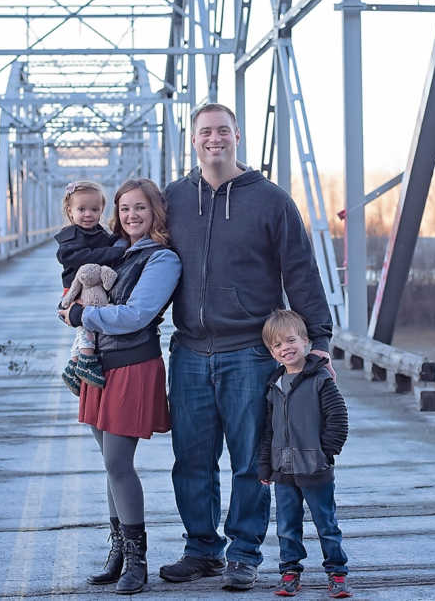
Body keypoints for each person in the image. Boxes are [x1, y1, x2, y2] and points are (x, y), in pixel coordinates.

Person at [160, 103, 334, 591]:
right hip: (190, 351)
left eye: (222, 130)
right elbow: (136, 259)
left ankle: (243, 552)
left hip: (250, 352)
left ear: (237, 135)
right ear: (192, 139)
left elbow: (301, 271)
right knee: (190, 459)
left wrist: (317, 341)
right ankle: (201, 549)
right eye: (204, 132)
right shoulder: (172, 200)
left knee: (249, 461)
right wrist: (87, 303)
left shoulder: (272, 201)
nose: (213, 139)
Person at [58, 178, 180, 595]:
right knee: (110, 464)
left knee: (118, 463)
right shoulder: (114, 251)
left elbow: (135, 316)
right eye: (125, 208)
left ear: (155, 213)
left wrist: (80, 317)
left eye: (140, 209)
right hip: (98, 366)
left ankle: (137, 561)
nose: (131, 216)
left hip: (132, 365)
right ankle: (119, 553)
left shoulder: (161, 259)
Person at [257, 310, 350, 599]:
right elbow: (268, 431)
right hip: (283, 470)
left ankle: (336, 572)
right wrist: (264, 466)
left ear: (306, 341)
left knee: (326, 522)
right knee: (286, 524)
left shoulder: (321, 380)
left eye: (290, 340)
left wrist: (327, 452)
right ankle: (290, 571)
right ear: (272, 352)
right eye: (277, 345)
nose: (285, 348)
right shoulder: (274, 386)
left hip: (315, 467)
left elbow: (339, 417)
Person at [54, 180, 127, 394]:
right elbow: (78, 257)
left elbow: (108, 242)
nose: (88, 214)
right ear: (70, 211)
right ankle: (85, 360)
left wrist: (123, 240)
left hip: (92, 288)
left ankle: (73, 364)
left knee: (88, 325)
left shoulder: (99, 232)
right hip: (75, 290)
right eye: (81, 209)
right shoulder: (70, 235)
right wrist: (114, 252)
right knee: (87, 323)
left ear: (102, 209)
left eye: (94, 209)